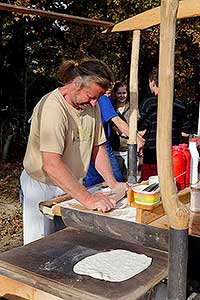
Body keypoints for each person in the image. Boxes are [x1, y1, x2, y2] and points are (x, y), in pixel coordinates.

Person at [20, 58, 127, 244]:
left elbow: (98, 147)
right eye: (91, 96)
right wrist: (88, 199)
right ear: (76, 84)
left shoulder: (91, 107)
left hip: (71, 184)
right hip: (42, 186)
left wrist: (113, 183)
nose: (95, 103)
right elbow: (51, 164)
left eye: (98, 98)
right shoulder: (53, 107)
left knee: (66, 243)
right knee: (39, 247)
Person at [137, 67, 191, 181]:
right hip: (173, 156)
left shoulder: (149, 103)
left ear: (152, 82)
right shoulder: (180, 104)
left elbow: (141, 131)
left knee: (149, 192)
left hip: (152, 156)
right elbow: (185, 133)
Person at [85, 92, 129, 187]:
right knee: (113, 181)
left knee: (97, 183)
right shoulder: (103, 99)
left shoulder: (101, 100)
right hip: (97, 145)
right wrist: (137, 139)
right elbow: (116, 121)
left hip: (90, 145)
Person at [110, 81, 130, 180]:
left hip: (129, 148)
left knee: (130, 177)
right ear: (115, 94)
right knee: (117, 178)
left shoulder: (132, 107)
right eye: (119, 93)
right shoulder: (111, 107)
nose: (122, 96)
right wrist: (117, 130)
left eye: (124, 93)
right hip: (115, 149)